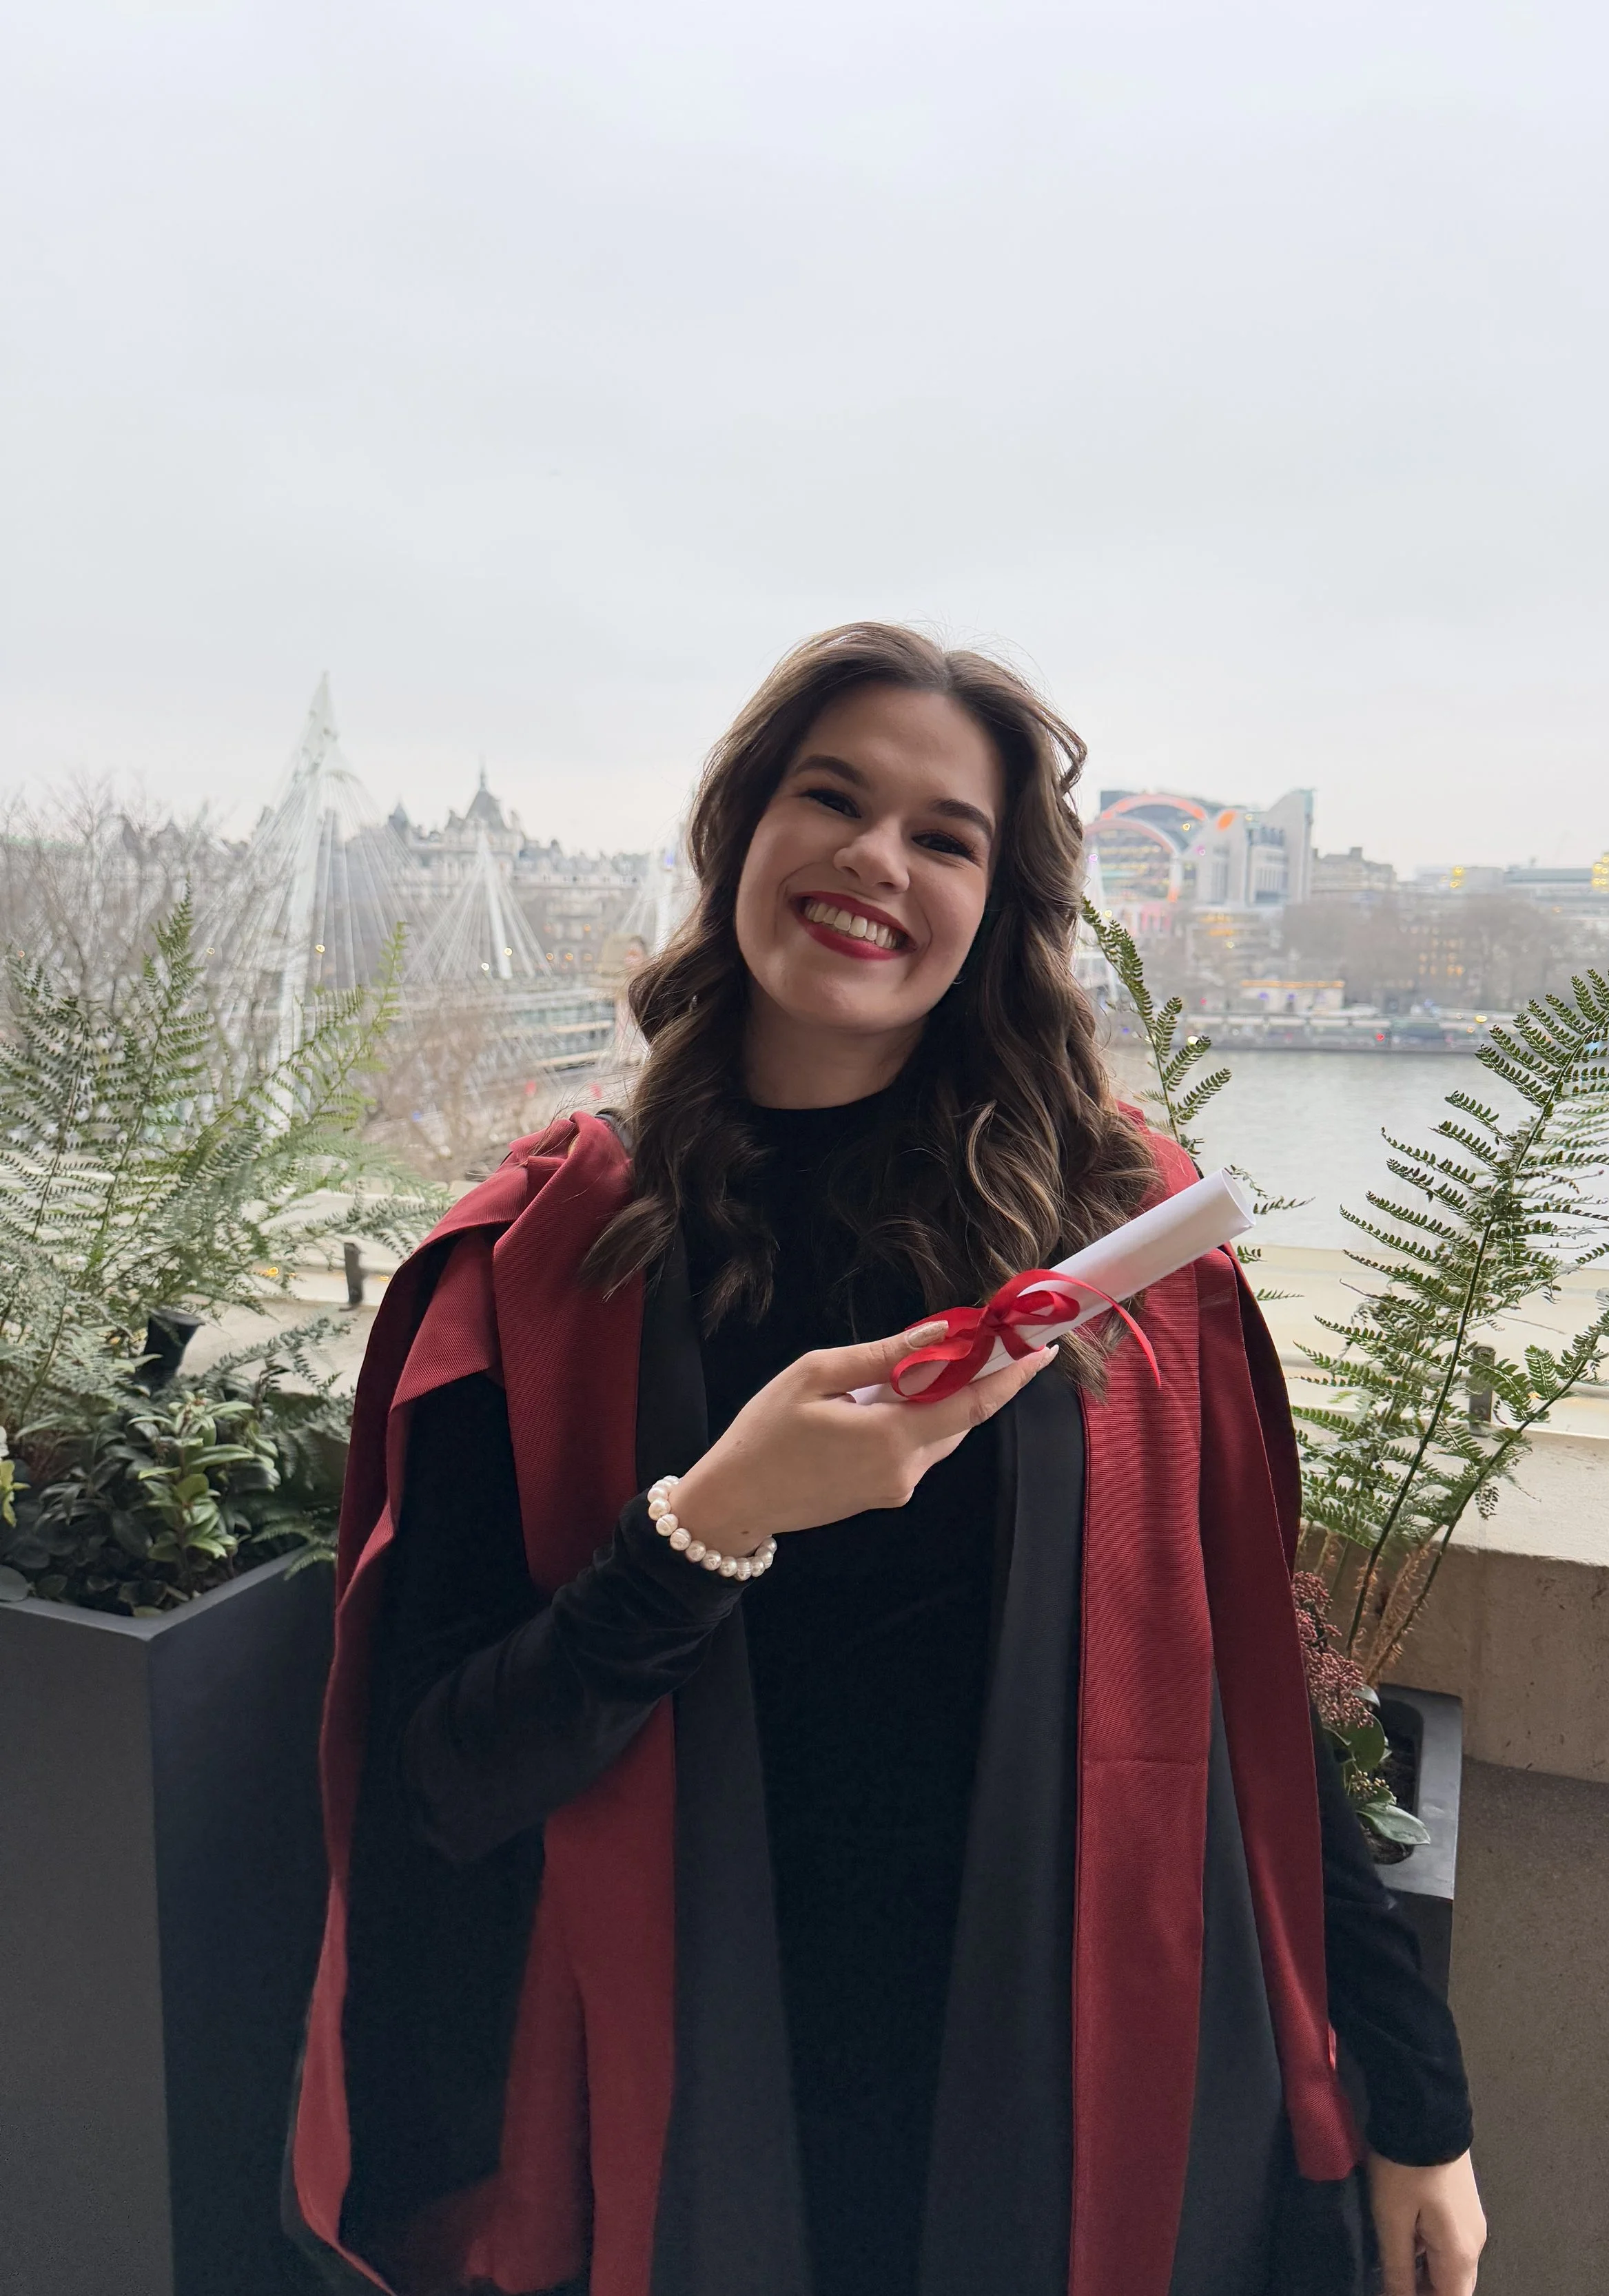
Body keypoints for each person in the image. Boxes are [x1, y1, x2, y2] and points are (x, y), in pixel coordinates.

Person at [288, 623, 1486, 2296]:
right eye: (829, 797)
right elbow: (440, 1781)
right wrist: (710, 1523)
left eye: (944, 835)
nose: (875, 858)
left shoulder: (1117, 1244)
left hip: (1078, 2087)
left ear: (997, 907)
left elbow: (1247, 1705)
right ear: (739, 835)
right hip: (698, 2110)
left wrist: (1417, 2105)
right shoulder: (560, 1254)